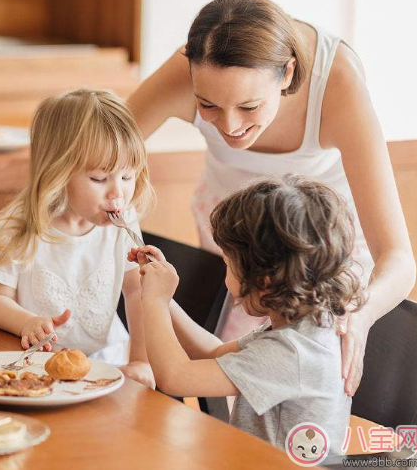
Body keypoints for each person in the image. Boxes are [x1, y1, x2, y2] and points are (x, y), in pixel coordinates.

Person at [0, 0, 416, 395]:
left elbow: (399, 258)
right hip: (231, 232)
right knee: (234, 373)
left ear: (289, 75)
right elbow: (66, 171)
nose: (229, 127)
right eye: (207, 106)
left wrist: (361, 314)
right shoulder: (190, 65)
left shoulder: (337, 81)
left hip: (316, 247)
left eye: (249, 108)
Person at [136, 175, 365, 453]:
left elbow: (175, 377)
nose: (226, 274)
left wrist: (154, 302)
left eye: (227, 264)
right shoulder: (306, 327)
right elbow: (217, 353)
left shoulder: (292, 353)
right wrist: (166, 299)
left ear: (263, 281)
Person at [0, 88, 156, 386]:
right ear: (57, 172)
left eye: (127, 176)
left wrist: (139, 361)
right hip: (35, 366)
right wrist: (26, 322)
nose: (118, 192)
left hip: (105, 363)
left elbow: (137, 292)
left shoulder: (124, 222)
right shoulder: (19, 225)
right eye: (99, 179)